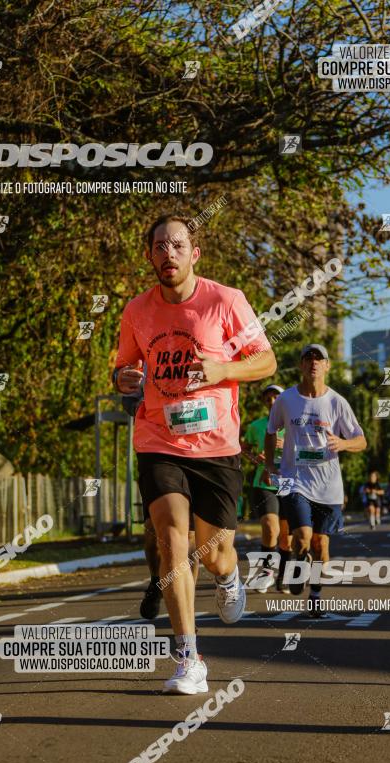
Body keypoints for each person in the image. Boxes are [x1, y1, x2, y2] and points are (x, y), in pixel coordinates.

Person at [114, 214, 276, 694]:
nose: (169, 254)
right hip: (158, 440)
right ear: (150, 255)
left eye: (178, 245)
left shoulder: (225, 301)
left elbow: (265, 360)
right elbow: (124, 366)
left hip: (216, 446)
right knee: (171, 541)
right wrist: (122, 378)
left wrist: (222, 367)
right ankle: (188, 659)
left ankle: (229, 577)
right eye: (160, 247)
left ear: (194, 254)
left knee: (216, 554)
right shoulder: (136, 311)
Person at [263, 343, 366, 618]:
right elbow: (271, 431)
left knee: (321, 545)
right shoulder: (286, 399)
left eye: (319, 358)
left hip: (329, 485)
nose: (313, 362)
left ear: (327, 366)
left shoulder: (337, 402)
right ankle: (298, 565)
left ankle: (316, 591)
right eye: (307, 358)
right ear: (300, 365)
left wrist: (343, 444)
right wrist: (269, 464)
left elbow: (361, 440)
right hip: (293, 479)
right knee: (302, 535)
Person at [118, 363, 200, 619]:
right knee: (154, 535)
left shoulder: (203, 345)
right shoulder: (148, 354)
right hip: (159, 455)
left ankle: (187, 609)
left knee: (188, 541)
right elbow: (129, 398)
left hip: (198, 455)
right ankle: (156, 581)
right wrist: (155, 407)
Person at [243, 384, 292, 594]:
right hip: (264, 483)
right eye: (268, 399)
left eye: (276, 398)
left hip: (289, 483)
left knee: (286, 536)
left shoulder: (294, 425)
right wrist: (256, 458)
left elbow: (310, 451)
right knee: (271, 528)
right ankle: (266, 572)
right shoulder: (256, 426)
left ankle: (284, 575)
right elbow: (243, 448)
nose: (272, 402)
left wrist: (288, 448)